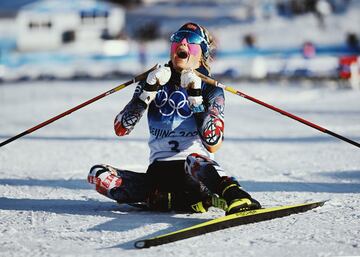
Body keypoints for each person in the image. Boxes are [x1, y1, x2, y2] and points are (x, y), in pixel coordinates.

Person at [87, 22, 261, 215]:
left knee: (194, 160)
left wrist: (195, 97)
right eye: (177, 38)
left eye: (191, 40)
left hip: (195, 173)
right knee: (98, 174)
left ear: (201, 53)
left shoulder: (210, 88)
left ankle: (236, 196)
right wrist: (147, 93)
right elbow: (121, 128)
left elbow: (213, 143)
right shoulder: (154, 80)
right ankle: (177, 200)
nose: (183, 43)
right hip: (158, 174)